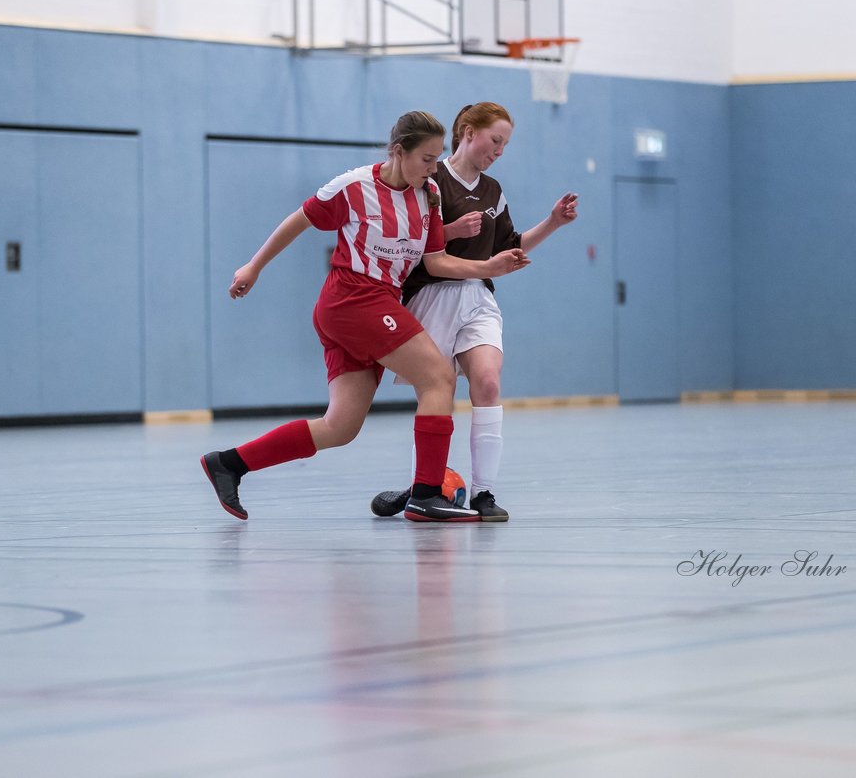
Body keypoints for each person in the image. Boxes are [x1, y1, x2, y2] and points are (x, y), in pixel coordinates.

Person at [200, 110, 531, 522]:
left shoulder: (427, 197)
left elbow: (437, 260)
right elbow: (297, 221)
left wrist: (487, 268)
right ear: (398, 151)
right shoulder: (354, 185)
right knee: (438, 378)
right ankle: (426, 493)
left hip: (376, 304)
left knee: (341, 426)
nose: (433, 169)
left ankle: (229, 463)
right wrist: (254, 266)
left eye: (437, 158)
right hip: (353, 299)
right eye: (426, 159)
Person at [370, 102, 578, 522]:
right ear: (467, 132)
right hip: (430, 297)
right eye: (495, 140)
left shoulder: (493, 191)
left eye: (505, 145)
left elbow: (511, 245)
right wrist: (450, 231)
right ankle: (421, 486)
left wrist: (553, 222)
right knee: (437, 395)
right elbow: (414, 246)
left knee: (487, 380)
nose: (499, 150)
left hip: (478, 297)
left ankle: (484, 492)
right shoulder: (429, 181)